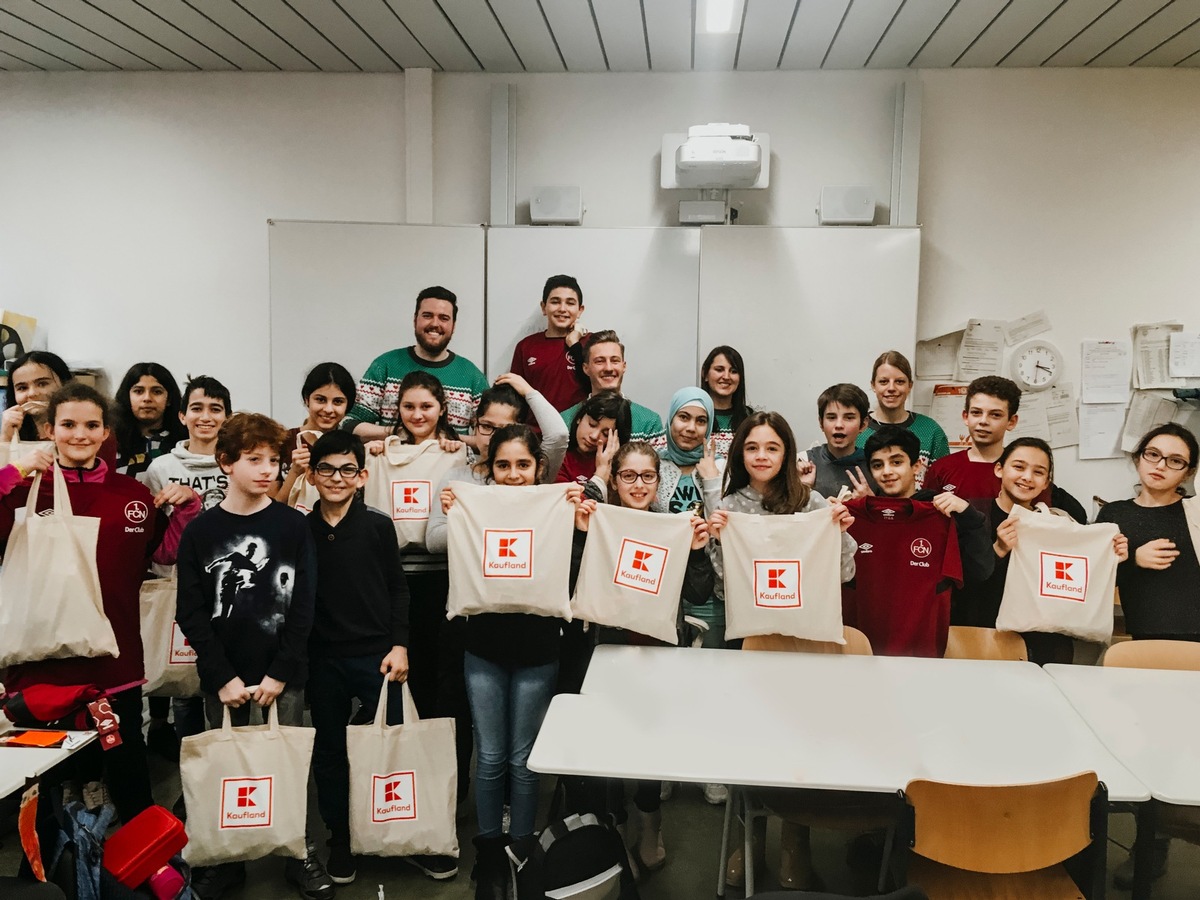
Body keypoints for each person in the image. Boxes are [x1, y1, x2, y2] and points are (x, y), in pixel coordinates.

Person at [0, 382, 199, 825]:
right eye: (68, 424)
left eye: (92, 425)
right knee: (46, 784)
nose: (79, 434)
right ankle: (56, 878)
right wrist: (11, 471)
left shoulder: (129, 495)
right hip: (40, 663)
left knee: (129, 772)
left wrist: (186, 508)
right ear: (50, 429)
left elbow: (162, 555)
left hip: (115, 661)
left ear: (106, 431)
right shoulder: (25, 490)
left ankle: (145, 869)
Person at [174, 413, 331, 900]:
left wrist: (281, 672)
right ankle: (227, 856)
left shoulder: (292, 525)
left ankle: (299, 852)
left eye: (275, 461)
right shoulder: (201, 532)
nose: (268, 470)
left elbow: (304, 604)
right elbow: (191, 610)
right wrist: (220, 676)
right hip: (224, 678)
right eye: (254, 459)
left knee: (288, 764)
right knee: (228, 769)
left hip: (281, 675)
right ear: (226, 462)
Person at [430, 426, 586, 899]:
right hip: (483, 647)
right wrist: (453, 516)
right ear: (489, 469)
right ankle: (490, 855)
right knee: (491, 756)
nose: (514, 475)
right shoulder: (473, 507)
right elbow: (442, 541)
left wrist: (579, 522)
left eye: (522, 464)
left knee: (523, 759)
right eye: (503, 465)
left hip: (539, 649)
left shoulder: (556, 506)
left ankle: (523, 849)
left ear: (539, 467)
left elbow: (578, 571)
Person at [707, 411, 856, 888]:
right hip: (751, 645)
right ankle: (746, 839)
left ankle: (795, 840)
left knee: (798, 744)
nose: (762, 456)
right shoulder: (730, 505)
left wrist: (840, 531)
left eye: (772, 448)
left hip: (803, 644)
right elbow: (726, 583)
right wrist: (717, 536)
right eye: (753, 448)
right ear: (741, 455)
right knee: (748, 741)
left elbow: (846, 573)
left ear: (787, 454)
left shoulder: (813, 503)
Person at [572, 440, 712, 872]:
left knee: (649, 742)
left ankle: (650, 823)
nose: (638, 484)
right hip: (606, 651)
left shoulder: (674, 525)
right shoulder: (599, 522)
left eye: (647, 476)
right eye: (628, 475)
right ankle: (612, 829)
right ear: (614, 479)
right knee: (607, 742)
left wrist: (699, 551)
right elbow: (573, 584)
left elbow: (699, 593)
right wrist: (580, 536)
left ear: (658, 481)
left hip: (656, 654)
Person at [304, 430, 410, 887]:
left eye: (348, 469)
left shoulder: (377, 525)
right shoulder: (300, 529)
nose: (336, 477)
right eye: (325, 468)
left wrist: (400, 644)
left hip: (377, 656)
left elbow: (397, 589)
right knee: (329, 751)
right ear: (311, 475)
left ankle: (391, 833)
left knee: (390, 747)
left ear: (363, 475)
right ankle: (340, 837)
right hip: (323, 659)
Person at [1097, 423, 1198, 887]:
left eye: (1174, 460)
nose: (1160, 465)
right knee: (1147, 749)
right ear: (1137, 458)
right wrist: (1130, 559)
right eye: (1152, 454)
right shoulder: (1114, 514)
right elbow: (1085, 580)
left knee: (1187, 753)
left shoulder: (1195, 516)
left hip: (1196, 651)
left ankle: (1164, 837)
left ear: (1188, 471)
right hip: (1142, 653)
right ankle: (1150, 841)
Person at [956, 437, 1127, 665]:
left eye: (1038, 472)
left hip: (1045, 645)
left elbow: (1078, 582)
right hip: (983, 639)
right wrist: (997, 550)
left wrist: (1111, 557)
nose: (1027, 477)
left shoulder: (1058, 525)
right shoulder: (972, 515)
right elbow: (959, 586)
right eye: (1018, 467)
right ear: (999, 469)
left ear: (1047, 482)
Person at [845, 425, 991, 659]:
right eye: (877, 465)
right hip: (863, 654)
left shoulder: (941, 513)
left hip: (921, 655)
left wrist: (968, 515)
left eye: (896, 462)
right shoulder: (853, 518)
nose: (887, 471)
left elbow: (980, 571)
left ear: (917, 466)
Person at [343, 286, 488, 439]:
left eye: (444, 318)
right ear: (414, 320)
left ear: (453, 326)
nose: (435, 323)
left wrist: (444, 438)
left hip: (451, 462)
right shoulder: (385, 365)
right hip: (393, 461)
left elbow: (490, 438)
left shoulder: (472, 376)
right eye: (427, 315)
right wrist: (395, 432)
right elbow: (349, 423)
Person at [3, 351, 119, 468]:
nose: (32, 393)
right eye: (22, 388)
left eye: (42, 384)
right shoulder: (8, 431)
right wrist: (4, 437)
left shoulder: (93, 433)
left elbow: (103, 479)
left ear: (65, 384)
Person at [559, 330, 666, 450]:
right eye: (600, 361)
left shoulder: (649, 422)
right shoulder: (563, 421)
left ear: (623, 366)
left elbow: (659, 467)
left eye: (615, 361)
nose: (608, 368)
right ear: (586, 368)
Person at [922, 375, 1023, 499]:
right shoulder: (941, 468)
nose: (983, 421)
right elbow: (925, 515)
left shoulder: (1021, 473)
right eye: (976, 412)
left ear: (1011, 421)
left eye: (995, 415)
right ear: (966, 416)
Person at [855, 351, 949, 479]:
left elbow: (944, 482)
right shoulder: (857, 430)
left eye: (899, 382)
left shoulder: (931, 431)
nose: (891, 388)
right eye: (883, 382)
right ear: (873, 385)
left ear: (910, 386)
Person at [142, 376, 231, 512]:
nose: (206, 417)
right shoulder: (160, 468)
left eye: (215, 409)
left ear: (227, 418)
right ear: (182, 416)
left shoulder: (239, 466)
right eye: (196, 409)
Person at [273, 362, 355, 503]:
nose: (328, 409)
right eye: (320, 400)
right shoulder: (281, 442)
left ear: (348, 405)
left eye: (338, 402)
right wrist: (294, 472)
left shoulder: (353, 446)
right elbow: (271, 510)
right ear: (307, 399)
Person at [508, 274, 589, 412]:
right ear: (544, 307)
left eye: (570, 303)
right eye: (555, 302)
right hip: (535, 431)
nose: (562, 309)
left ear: (580, 310)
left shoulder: (592, 344)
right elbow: (515, 398)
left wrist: (575, 344)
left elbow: (595, 386)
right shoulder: (526, 346)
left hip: (579, 431)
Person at [800, 383, 878, 501]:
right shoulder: (803, 462)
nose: (839, 425)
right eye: (831, 417)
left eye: (849, 418)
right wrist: (802, 489)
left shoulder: (876, 466)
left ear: (863, 424)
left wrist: (871, 503)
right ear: (821, 423)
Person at [112, 362, 188, 477]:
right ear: (127, 397)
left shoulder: (185, 443)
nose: (147, 398)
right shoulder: (110, 442)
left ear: (169, 399)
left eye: (157, 392)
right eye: (138, 391)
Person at [655, 387, 721, 515]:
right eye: (684, 417)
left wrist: (712, 479)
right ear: (671, 420)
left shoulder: (720, 467)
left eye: (701, 421)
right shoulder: (654, 465)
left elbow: (724, 523)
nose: (691, 428)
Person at [555, 390, 628, 491]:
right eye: (592, 424)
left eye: (605, 433)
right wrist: (601, 474)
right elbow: (566, 504)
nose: (594, 436)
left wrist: (613, 465)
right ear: (579, 418)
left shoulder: (624, 468)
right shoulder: (559, 459)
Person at [700, 345, 753, 459]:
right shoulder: (692, 416)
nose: (726, 376)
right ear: (705, 374)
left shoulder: (751, 419)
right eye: (719, 370)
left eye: (734, 371)